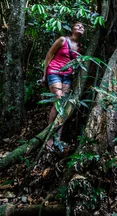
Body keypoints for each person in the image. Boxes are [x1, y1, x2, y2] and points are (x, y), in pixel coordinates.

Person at [41, 21, 84, 149]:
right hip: (54, 72)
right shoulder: (62, 40)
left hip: (67, 76)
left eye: (83, 27)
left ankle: (57, 138)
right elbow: (49, 55)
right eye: (78, 25)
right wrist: (44, 75)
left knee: (64, 105)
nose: (81, 27)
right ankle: (49, 138)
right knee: (59, 99)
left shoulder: (80, 46)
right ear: (72, 29)